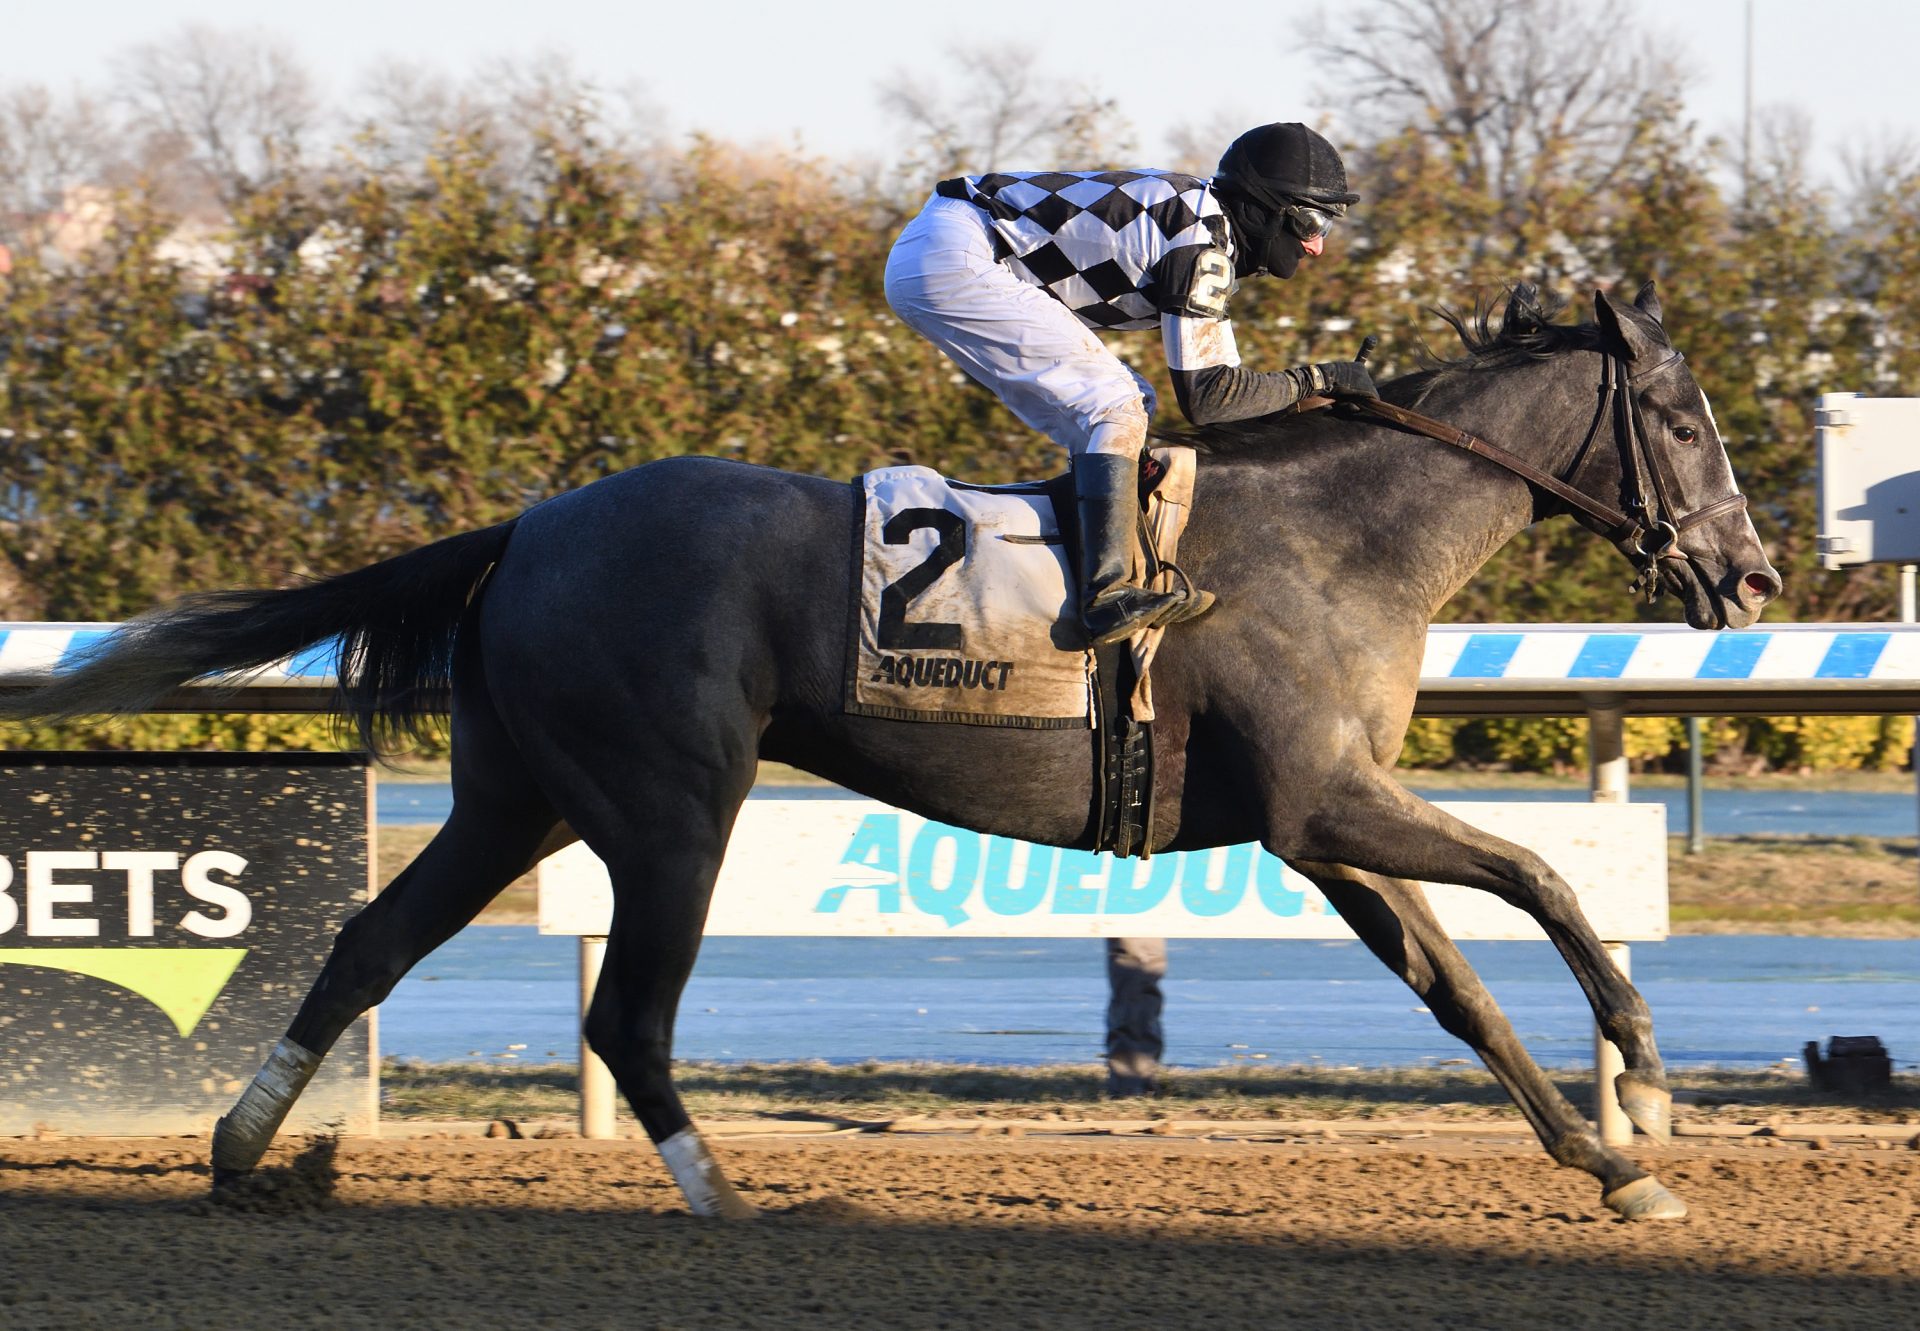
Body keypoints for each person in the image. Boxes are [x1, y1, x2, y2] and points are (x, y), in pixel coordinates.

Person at [885, 121, 1380, 648]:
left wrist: (1314, 401)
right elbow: (1209, 398)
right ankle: (1105, 593)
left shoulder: (1205, 227)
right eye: (1310, 222)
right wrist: (1318, 378)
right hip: (957, 252)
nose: (1315, 247)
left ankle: (1080, 569)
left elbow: (1231, 396)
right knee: (1114, 405)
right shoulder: (1201, 244)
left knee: (1128, 404)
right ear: (1262, 210)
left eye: (1326, 227)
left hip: (947, 245)